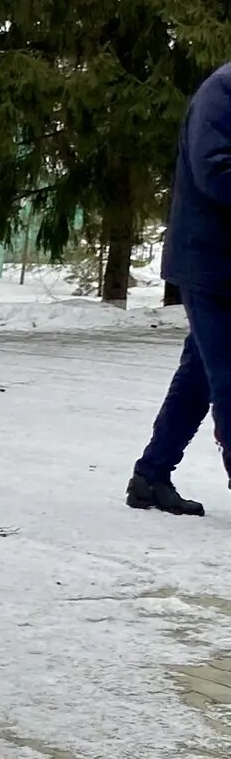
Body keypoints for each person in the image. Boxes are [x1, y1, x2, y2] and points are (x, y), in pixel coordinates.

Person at [145, 79, 231, 520]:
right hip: (210, 262)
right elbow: (214, 171)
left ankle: (151, 476)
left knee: (201, 373)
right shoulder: (222, 92)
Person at [127, 282, 231, 517]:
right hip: (213, 270)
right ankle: (151, 474)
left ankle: (151, 476)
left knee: (198, 375)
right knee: (225, 375)